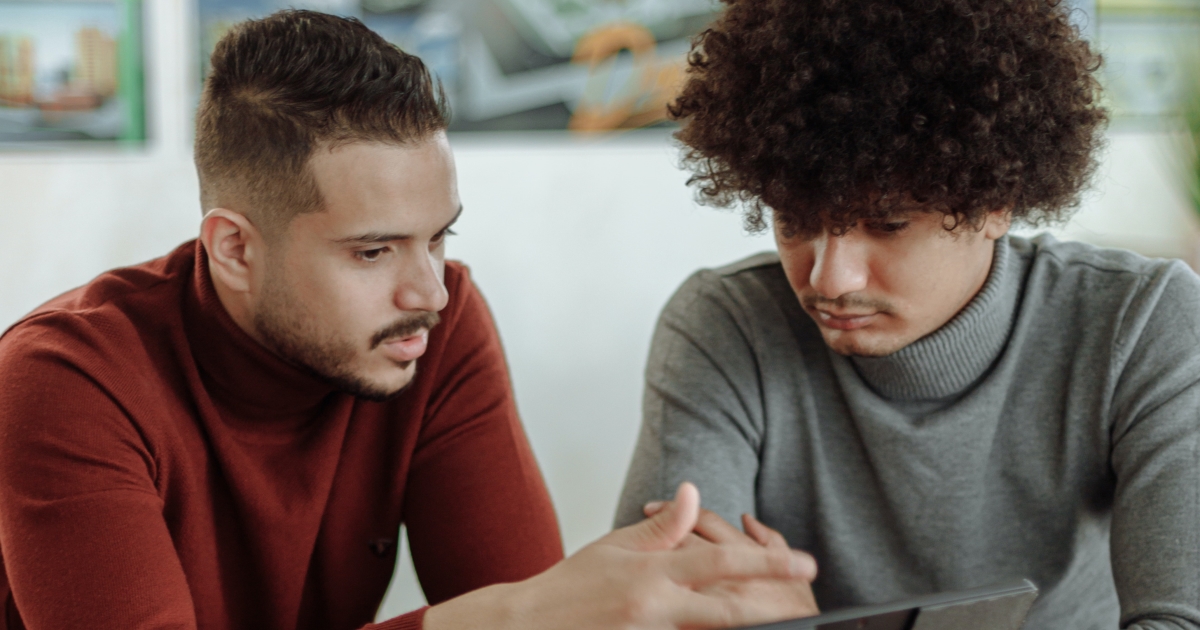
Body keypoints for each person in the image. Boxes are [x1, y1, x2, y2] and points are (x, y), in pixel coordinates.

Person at [0, 11, 821, 630]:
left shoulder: (440, 323)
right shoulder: (61, 379)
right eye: (373, 252)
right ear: (235, 249)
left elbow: (531, 611)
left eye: (439, 237)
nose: (427, 289)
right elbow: (518, 615)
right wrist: (510, 617)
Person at [615, 1, 1200, 629]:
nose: (828, 279)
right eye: (795, 220)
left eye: (888, 224)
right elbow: (661, 610)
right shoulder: (724, 327)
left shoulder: (1140, 322)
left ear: (996, 203)